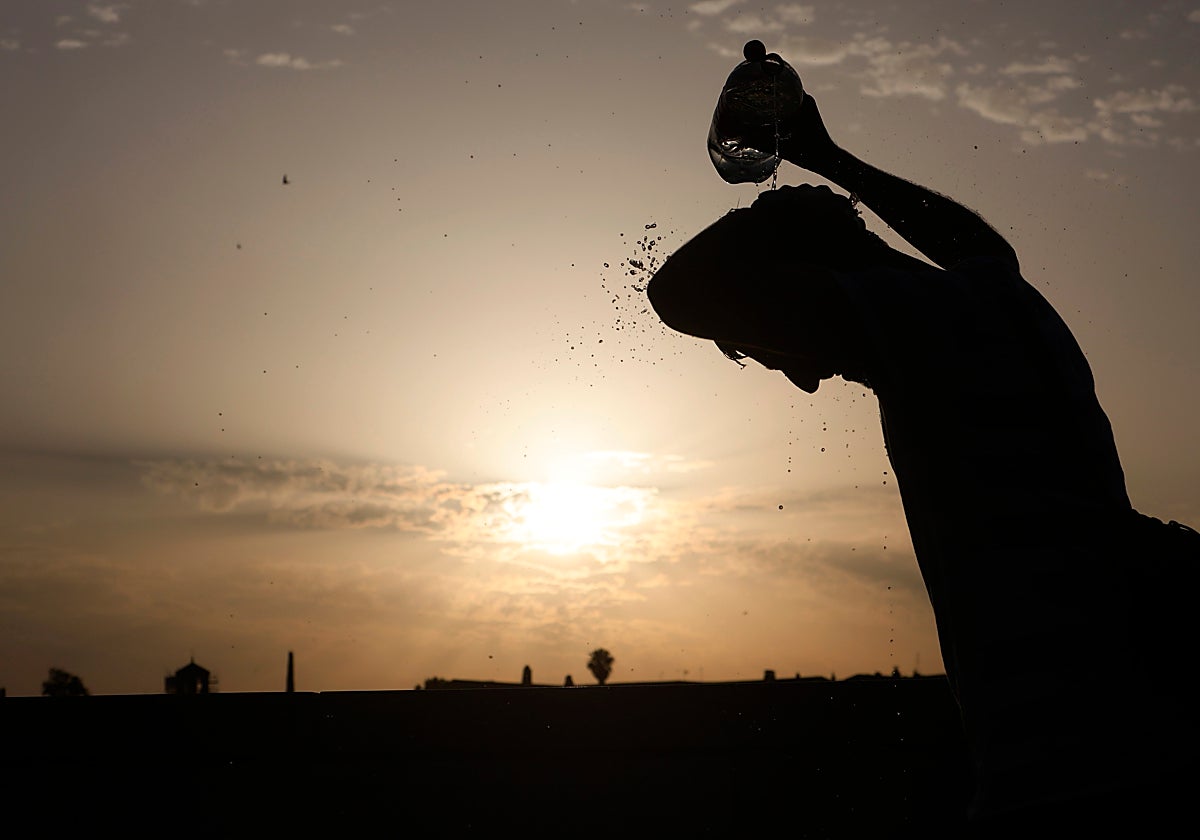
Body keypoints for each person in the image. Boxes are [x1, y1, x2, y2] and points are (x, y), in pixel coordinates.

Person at [648, 93, 1198, 836]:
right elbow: (974, 241)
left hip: (1069, 775)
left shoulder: (904, 322)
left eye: (782, 355)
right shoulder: (1002, 296)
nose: (805, 379)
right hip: (1154, 737)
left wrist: (779, 213)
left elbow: (675, 292)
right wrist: (830, 162)